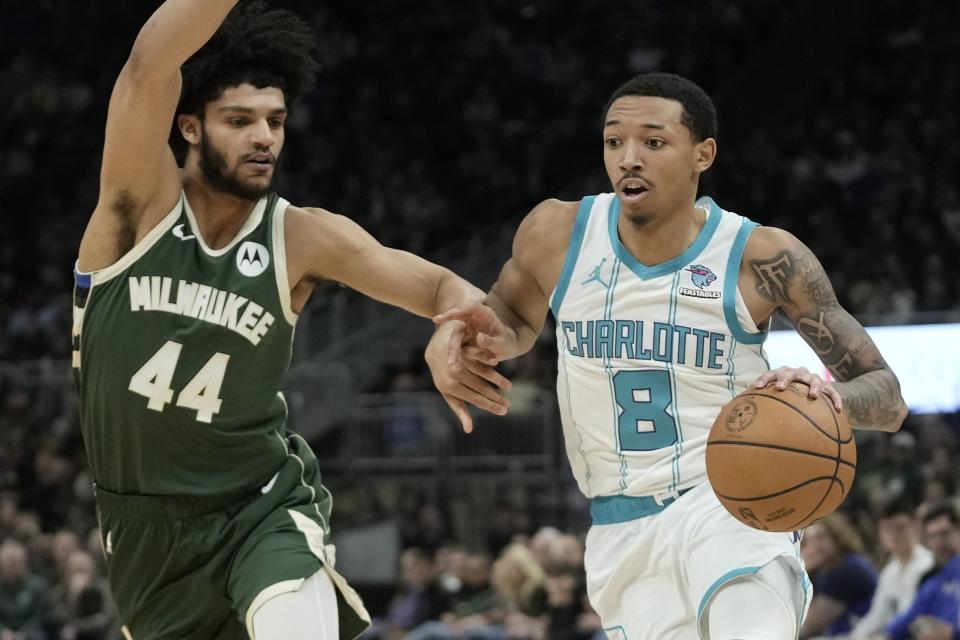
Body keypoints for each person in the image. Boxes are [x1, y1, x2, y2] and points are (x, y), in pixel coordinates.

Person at [426, 72, 908, 638]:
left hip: (732, 500)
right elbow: (511, 318)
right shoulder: (556, 233)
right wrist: (476, 339)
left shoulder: (762, 257)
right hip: (619, 526)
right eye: (614, 142)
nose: (629, 158)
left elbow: (889, 398)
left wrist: (826, 402)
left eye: (653, 142)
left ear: (703, 154)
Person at [72, 2, 487, 639]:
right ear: (188, 127)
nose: (264, 137)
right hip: (141, 534)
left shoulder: (300, 236)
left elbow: (435, 283)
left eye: (275, 121)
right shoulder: (137, 210)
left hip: (257, 505)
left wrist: (452, 329)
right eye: (239, 121)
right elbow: (147, 66)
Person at [872, 503, 960, 640]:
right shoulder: (933, 581)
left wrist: (953, 633)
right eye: (933, 537)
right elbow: (906, 618)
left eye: (944, 534)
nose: (939, 543)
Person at [849, 499, 934, 638]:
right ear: (880, 536)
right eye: (887, 529)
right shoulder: (889, 572)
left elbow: (911, 616)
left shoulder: (928, 566)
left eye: (900, 528)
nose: (894, 535)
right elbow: (876, 616)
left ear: (916, 527)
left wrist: (884, 635)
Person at [799, 513, 878, 638]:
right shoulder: (824, 571)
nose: (814, 545)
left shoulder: (849, 568)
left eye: (820, 537)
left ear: (837, 537)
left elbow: (806, 625)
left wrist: (800, 571)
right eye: (809, 541)